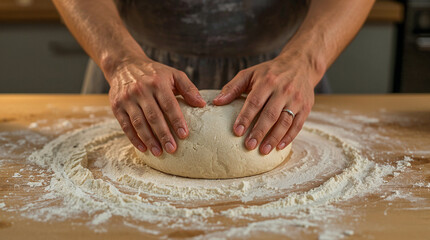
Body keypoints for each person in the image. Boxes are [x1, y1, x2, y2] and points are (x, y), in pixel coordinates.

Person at [53, 0, 375, 157]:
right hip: (138, 73)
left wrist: (305, 61)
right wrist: (121, 59)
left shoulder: (295, 67)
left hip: (282, 77)